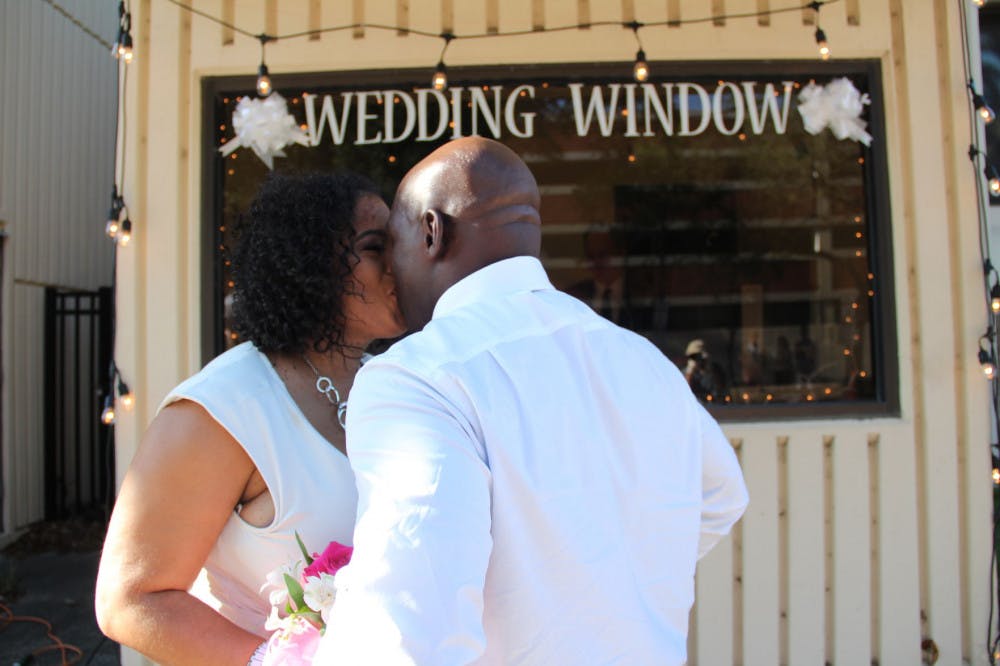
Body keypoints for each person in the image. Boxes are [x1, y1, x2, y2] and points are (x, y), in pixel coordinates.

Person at [315, 137, 748, 665]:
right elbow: (721, 494)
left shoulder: (419, 378)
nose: (388, 275)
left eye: (392, 245)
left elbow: (406, 624)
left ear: (432, 231)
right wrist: (608, 577)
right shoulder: (644, 360)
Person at [94, 172, 406, 665]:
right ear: (311, 266)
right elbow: (131, 599)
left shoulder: (395, 386)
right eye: (374, 246)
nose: (400, 261)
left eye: (400, 244)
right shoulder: (224, 409)